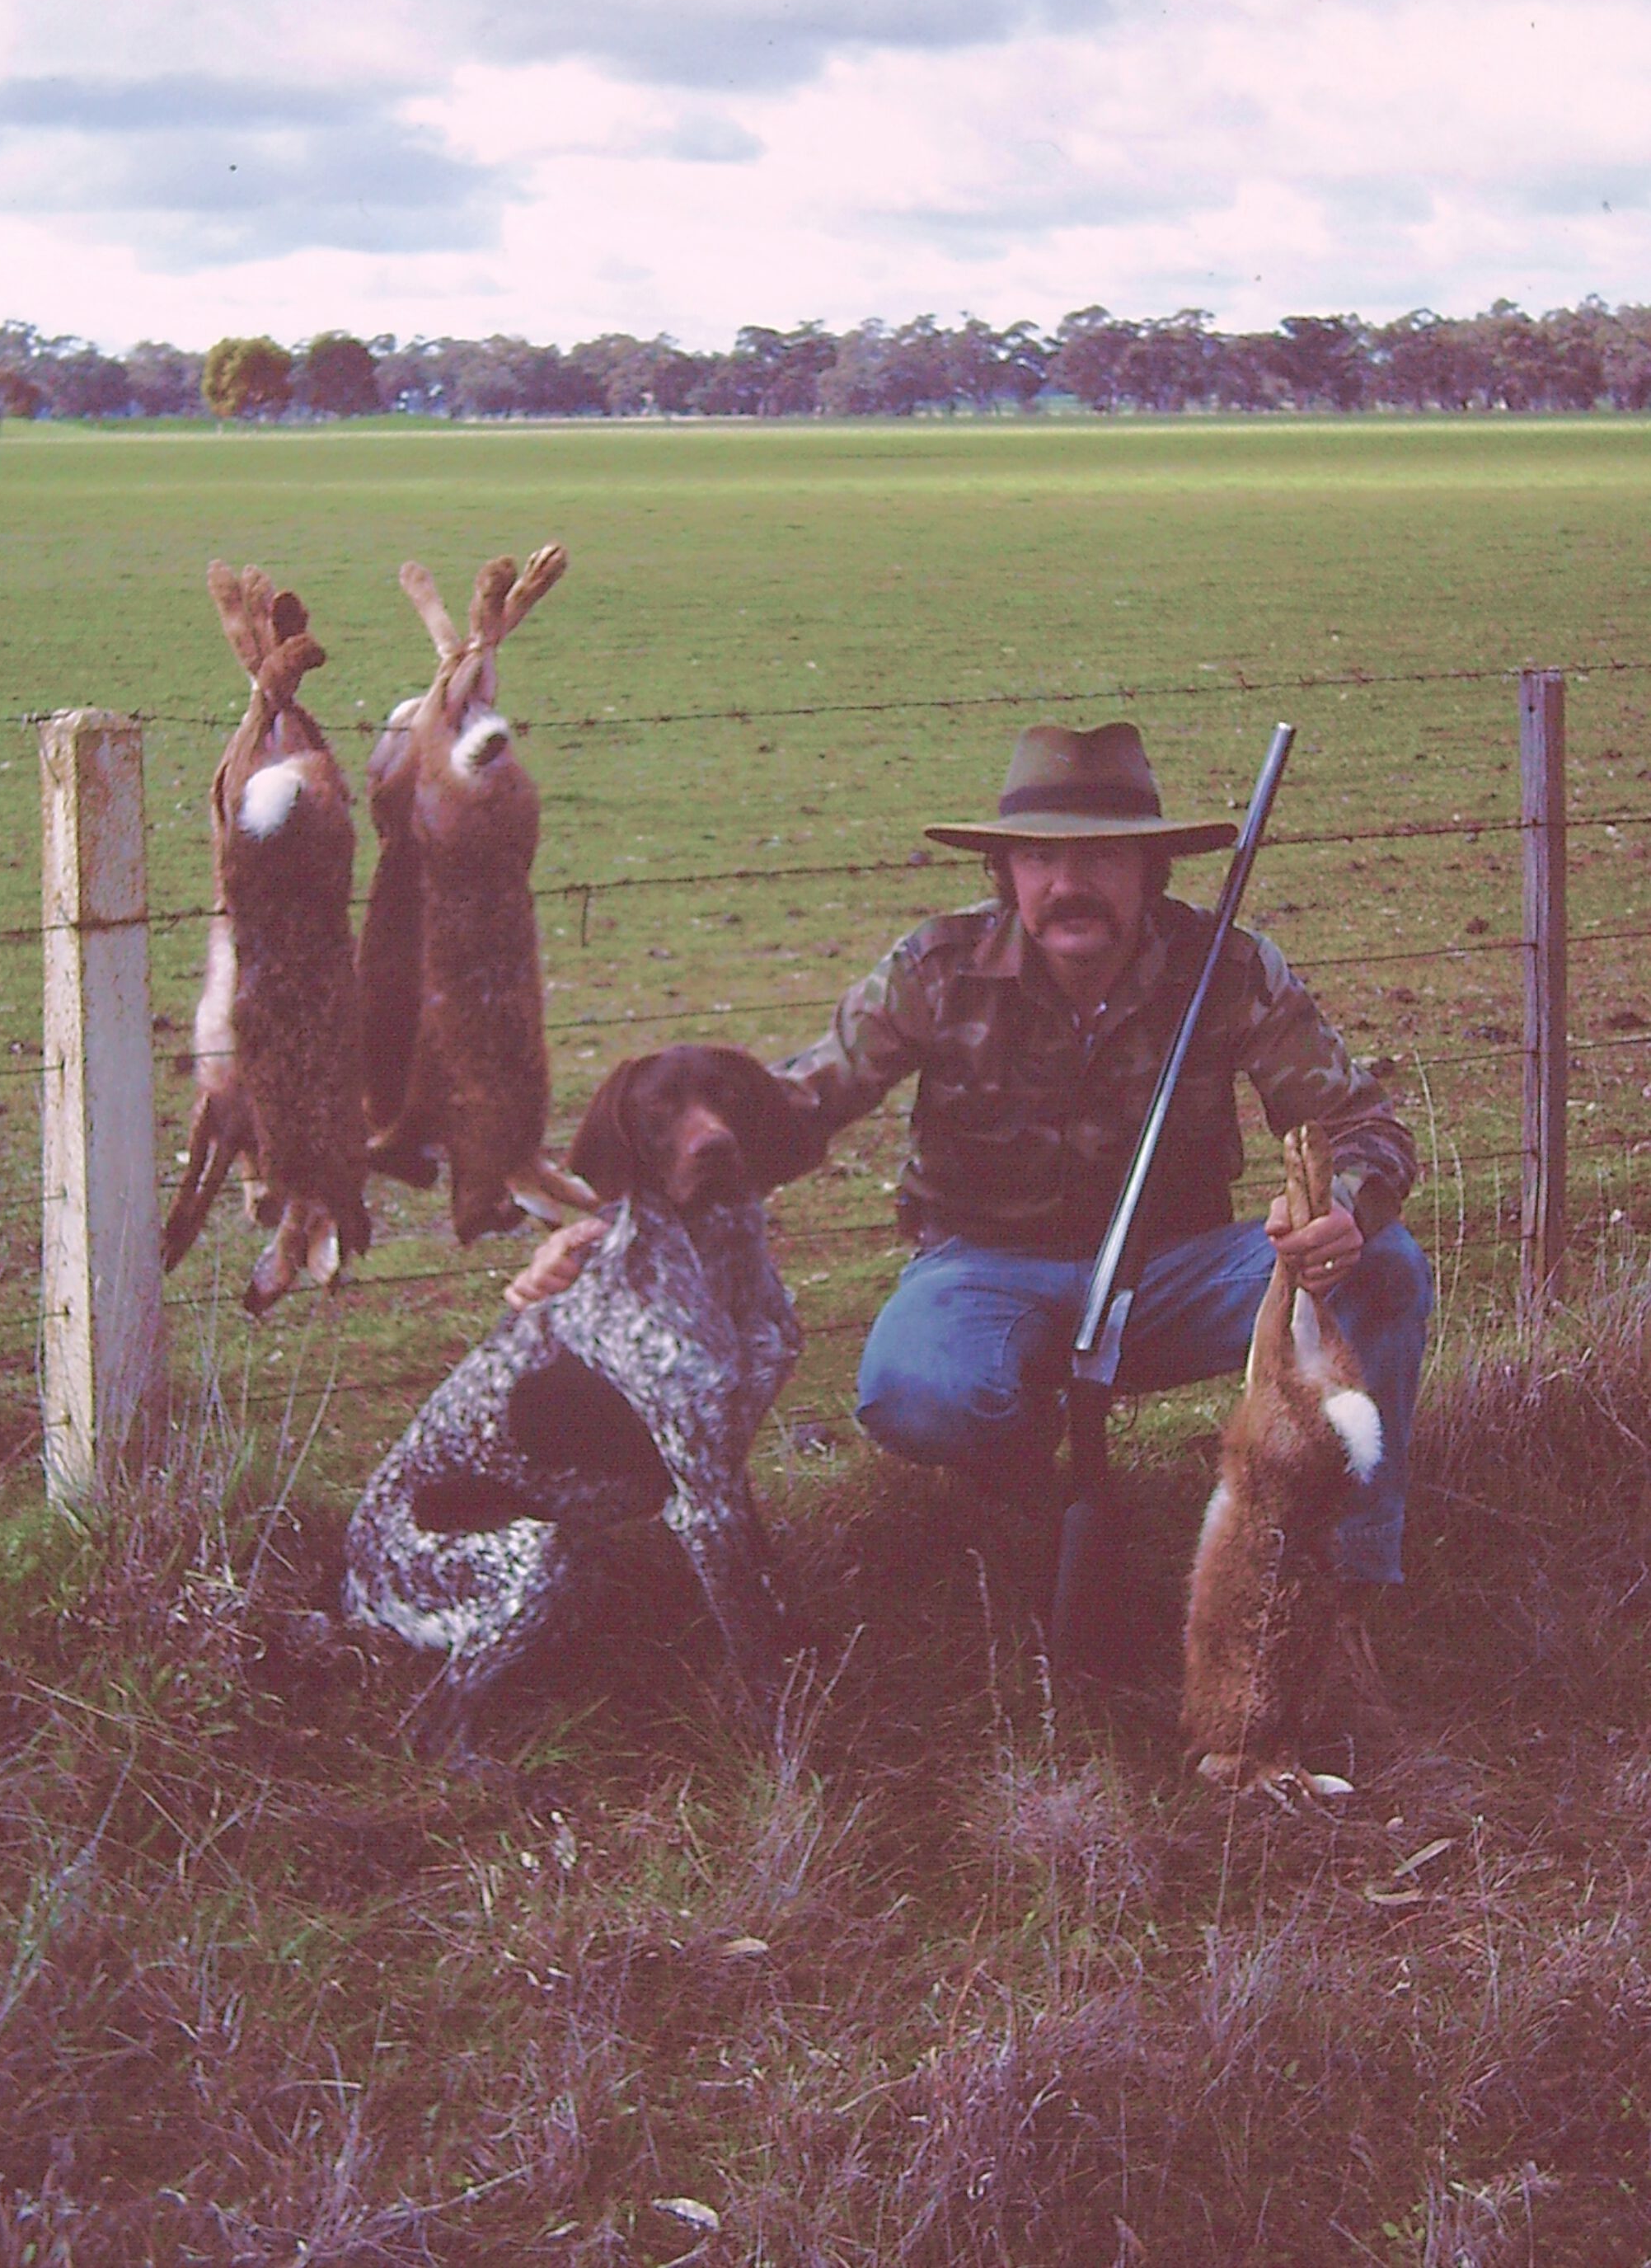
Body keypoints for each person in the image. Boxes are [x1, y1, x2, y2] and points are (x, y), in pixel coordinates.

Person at [512, 722, 1431, 1696]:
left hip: (1179, 1272)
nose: (1066, 884)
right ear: (1005, 870)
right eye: (1039, 856)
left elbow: (1364, 1127)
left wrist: (1347, 1216)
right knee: (919, 1392)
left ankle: (1343, 1584)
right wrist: (612, 1223)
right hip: (982, 1268)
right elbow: (793, 1109)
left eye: (1102, 856)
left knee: (1387, 1267)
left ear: (1152, 869)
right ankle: (1030, 1531)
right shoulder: (935, 969)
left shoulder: (1232, 969)